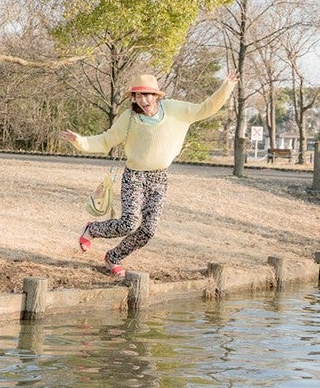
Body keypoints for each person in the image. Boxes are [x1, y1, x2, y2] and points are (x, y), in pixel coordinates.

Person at [60, 70, 239, 277]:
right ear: (134, 98)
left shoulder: (175, 110)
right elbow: (105, 140)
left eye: (147, 95)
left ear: (156, 96)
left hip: (159, 178)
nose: (143, 100)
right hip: (134, 176)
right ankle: (92, 230)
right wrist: (79, 141)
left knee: (148, 230)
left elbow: (206, 108)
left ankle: (114, 257)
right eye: (138, 95)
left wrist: (227, 86)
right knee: (129, 223)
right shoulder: (129, 118)